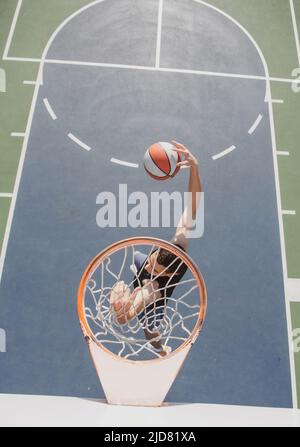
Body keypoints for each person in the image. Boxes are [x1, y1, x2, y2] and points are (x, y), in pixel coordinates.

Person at [110, 141, 202, 356]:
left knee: (149, 329)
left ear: (168, 274)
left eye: (156, 268)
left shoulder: (154, 289)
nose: (152, 265)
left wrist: (118, 307)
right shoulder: (178, 244)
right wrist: (195, 167)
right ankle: (133, 293)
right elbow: (193, 203)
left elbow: (125, 318)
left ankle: (159, 349)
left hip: (149, 291)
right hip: (142, 274)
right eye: (153, 261)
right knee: (139, 261)